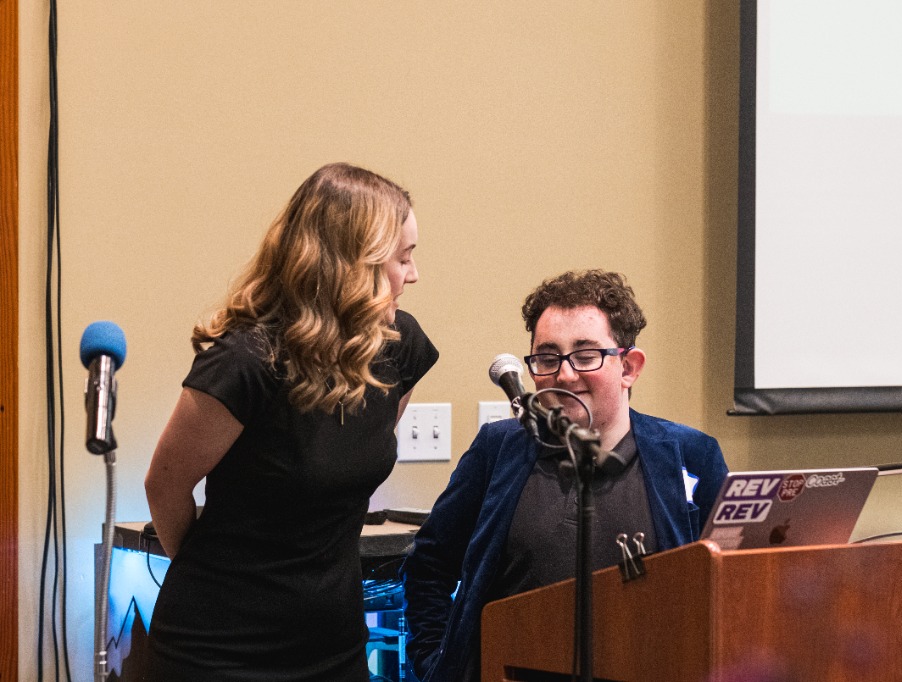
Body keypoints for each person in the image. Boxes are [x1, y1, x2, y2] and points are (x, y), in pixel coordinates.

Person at [143, 162, 438, 681]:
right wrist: (220, 582)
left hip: (334, 645)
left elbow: (357, 456)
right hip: (215, 650)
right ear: (355, 264)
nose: (413, 274)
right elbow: (165, 484)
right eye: (403, 258)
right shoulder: (245, 361)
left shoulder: (400, 350)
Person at [400, 269, 728, 682]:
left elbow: (727, 586)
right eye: (548, 357)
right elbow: (429, 566)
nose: (566, 374)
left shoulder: (692, 455)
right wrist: (436, 665)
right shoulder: (497, 450)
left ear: (629, 367)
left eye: (586, 355)